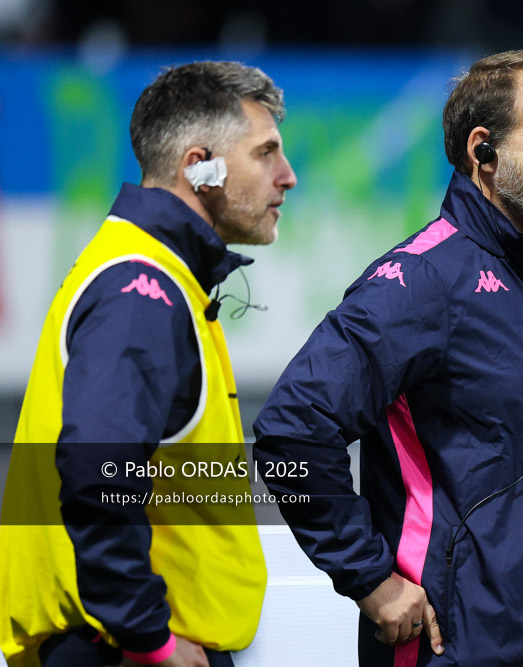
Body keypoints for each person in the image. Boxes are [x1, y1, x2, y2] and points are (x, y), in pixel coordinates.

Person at [253, 42, 523, 665]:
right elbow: (290, 433)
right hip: (453, 651)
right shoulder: (421, 282)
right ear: (485, 152)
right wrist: (369, 578)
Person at [0, 61, 297, 667]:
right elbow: (96, 473)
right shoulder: (143, 288)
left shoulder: (143, 274)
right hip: (123, 652)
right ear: (199, 166)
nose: (287, 177)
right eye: (265, 153)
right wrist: (148, 638)